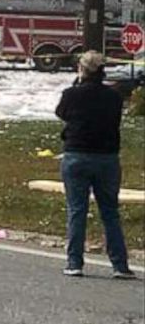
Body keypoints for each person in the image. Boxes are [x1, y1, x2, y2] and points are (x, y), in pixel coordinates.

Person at [55, 51, 135, 279]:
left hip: (77, 155)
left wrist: (76, 84)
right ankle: (120, 265)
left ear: (83, 70)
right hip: (107, 158)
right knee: (110, 212)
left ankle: (74, 262)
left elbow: (61, 113)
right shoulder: (114, 97)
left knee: (77, 210)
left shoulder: (71, 94)